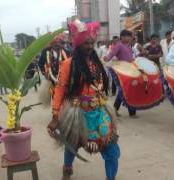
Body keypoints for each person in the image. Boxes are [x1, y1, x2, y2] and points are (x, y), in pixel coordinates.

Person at [47, 19, 120, 180]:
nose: (89, 46)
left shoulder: (97, 62)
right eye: (86, 43)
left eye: (91, 43)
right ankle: (67, 168)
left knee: (112, 150)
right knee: (72, 144)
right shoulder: (68, 64)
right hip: (77, 113)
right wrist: (55, 116)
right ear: (78, 44)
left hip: (100, 112)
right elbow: (59, 89)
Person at [104, 29, 137, 118]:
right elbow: (112, 54)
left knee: (126, 91)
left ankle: (115, 109)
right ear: (121, 37)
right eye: (126, 36)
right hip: (122, 71)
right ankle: (131, 113)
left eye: (129, 36)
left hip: (130, 70)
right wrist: (107, 58)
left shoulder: (129, 47)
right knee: (126, 91)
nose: (128, 38)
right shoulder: (119, 46)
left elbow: (130, 58)